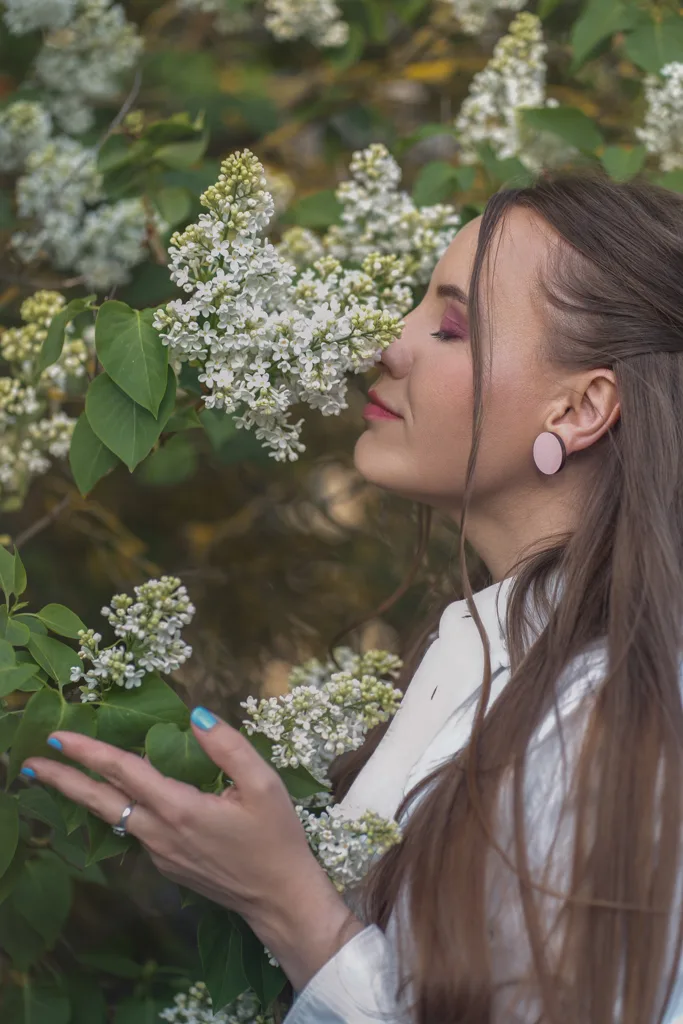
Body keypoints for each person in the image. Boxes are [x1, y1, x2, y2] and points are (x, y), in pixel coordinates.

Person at [22, 170, 683, 1024]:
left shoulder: (613, 715)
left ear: (581, 407)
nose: (386, 341)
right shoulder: (489, 655)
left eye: (449, 326)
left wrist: (288, 905)